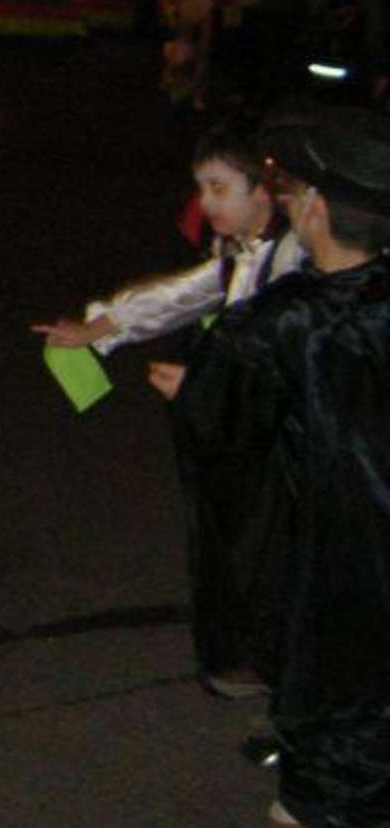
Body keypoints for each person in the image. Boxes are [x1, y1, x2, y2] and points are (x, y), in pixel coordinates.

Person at [171, 107, 390, 827]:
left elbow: (222, 424)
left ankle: (329, 802)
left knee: (336, 689)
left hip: (336, 549)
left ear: (318, 210)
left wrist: (193, 388)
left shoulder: (286, 320)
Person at [33, 123, 303, 693]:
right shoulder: (243, 249)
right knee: (239, 538)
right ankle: (261, 658)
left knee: (278, 544)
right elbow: (187, 292)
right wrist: (97, 328)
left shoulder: (292, 260)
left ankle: (284, 670)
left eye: (218, 188)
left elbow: (285, 361)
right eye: (201, 188)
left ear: (263, 192)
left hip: (285, 436)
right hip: (247, 427)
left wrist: (204, 386)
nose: (205, 203)